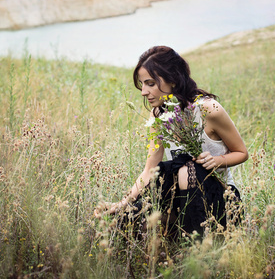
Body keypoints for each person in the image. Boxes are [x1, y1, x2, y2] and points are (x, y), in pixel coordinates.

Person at [94, 46, 248, 237]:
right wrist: (124, 202)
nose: (143, 92)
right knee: (126, 220)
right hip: (179, 196)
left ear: (173, 80)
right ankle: (172, 235)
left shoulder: (209, 109)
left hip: (221, 198)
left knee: (185, 169)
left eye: (150, 83)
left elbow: (242, 152)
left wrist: (216, 161)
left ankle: (199, 245)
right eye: (142, 84)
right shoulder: (158, 115)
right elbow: (150, 169)